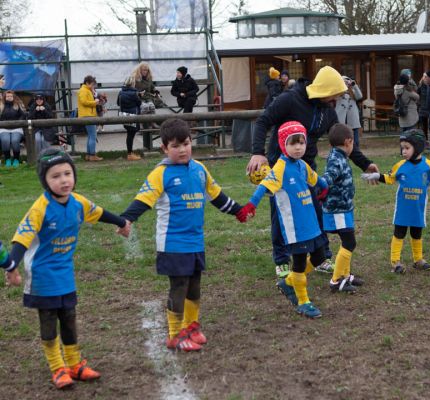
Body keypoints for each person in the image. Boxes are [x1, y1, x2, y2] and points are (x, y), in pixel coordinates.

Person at [5, 148, 128, 389]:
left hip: (64, 273)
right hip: (41, 276)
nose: (63, 180)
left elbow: (100, 213)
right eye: (55, 176)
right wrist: (12, 266)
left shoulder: (78, 202)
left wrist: (122, 222)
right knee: (49, 322)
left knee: (69, 318)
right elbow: (21, 239)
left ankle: (74, 364)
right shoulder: (40, 208)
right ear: (45, 181)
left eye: (67, 173)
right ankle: (57, 367)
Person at [120, 118, 247, 351]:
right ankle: (174, 334)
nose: (182, 150)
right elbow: (143, 200)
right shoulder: (161, 173)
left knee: (195, 285)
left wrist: (238, 211)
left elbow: (217, 196)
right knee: (179, 286)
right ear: (164, 148)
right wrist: (126, 219)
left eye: (186, 144)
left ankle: (191, 326)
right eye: (176, 146)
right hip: (172, 243)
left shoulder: (199, 169)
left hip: (195, 240)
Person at [246, 66, 379, 278]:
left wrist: (364, 163)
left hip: (306, 168)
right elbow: (263, 121)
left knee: (316, 211)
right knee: (282, 213)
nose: (338, 96)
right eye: (335, 92)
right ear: (325, 90)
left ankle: (321, 257)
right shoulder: (289, 99)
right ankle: (281, 260)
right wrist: (257, 153)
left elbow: (341, 140)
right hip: (280, 166)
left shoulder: (328, 110)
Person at [238, 121, 329, 319]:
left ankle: (288, 282)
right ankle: (303, 302)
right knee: (298, 264)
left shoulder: (302, 165)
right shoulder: (279, 167)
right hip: (294, 227)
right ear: (282, 144)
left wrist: (324, 187)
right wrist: (251, 205)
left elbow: (315, 178)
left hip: (310, 222)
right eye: (292, 143)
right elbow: (263, 186)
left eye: (301, 142)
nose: (298, 147)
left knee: (319, 257)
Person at [362, 130, 430, 272]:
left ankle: (418, 260)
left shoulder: (429, 166)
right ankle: (395, 262)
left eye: (407, 148)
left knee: (417, 233)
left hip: (418, 207)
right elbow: (389, 177)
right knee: (399, 233)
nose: (403, 151)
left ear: (418, 147)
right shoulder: (401, 165)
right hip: (403, 207)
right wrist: (377, 176)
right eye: (402, 148)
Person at [321, 123, 364, 293]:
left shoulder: (337, 155)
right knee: (349, 242)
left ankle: (345, 276)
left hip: (344, 208)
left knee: (347, 241)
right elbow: (328, 177)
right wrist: (321, 185)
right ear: (348, 142)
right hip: (337, 210)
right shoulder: (336, 159)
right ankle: (336, 280)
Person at [77, 75, 102, 161]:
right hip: (88, 115)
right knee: (93, 136)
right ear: (87, 83)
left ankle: (89, 155)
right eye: (92, 84)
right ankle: (92, 155)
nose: (93, 86)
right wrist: (94, 102)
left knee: (90, 136)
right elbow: (84, 102)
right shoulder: (84, 90)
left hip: (87, 115)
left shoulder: (86, 90)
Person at [117, 77, 142, 160]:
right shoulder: (134, 93)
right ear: (132, 84)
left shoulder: (121, 92)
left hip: (124, 115)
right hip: (133, 115)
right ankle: (130, 154)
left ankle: (130, 153)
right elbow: (139, 103)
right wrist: (140, 96)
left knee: (129, 134)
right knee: (131, 135)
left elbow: (118, 103)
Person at [0, 90, 26, 166]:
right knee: (5, 140)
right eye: (7, 96)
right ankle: (7, 159)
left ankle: (16, 159)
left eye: (10, 96)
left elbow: (23, 115)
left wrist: (18, 122)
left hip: (16, 128)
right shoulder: (1, 105)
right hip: (4, 128)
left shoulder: (18, 104)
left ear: (13, 97)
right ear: (5, 97)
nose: (9, 97)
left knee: (15, 141)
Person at [335, 75, 363, 146]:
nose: (346, 82)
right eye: (344, 81)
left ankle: (355, 150)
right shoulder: (337, 89)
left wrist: (353, 86)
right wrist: (343, 88)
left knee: (355, 139)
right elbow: (335, 97)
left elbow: (359, 97)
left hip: (352, 116)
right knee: (342, 137)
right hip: (341, 116)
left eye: (347, 81)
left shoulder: (352, 89)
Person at [416, 73, 430, 148]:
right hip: (422, 109)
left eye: (426, 77)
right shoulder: (420, 86)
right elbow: (417, 96)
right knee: (423, 127)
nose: (425, 78)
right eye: (424, 77)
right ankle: (425, 142)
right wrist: (419, 104)